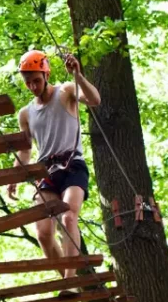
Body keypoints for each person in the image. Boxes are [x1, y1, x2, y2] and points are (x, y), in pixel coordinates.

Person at [7, 50, 101, 279]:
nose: (33, 86)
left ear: (46, 74)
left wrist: (77, 75)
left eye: (36, 80)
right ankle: (70, 284)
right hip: (46, 173)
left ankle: (69, 279)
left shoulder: (66, 92)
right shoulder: (26, 113)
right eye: (28, 82)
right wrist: (13, 177)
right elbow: (26, 149)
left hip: (72, 166)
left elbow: (95, 100)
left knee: (68, 217)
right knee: (43, 233)